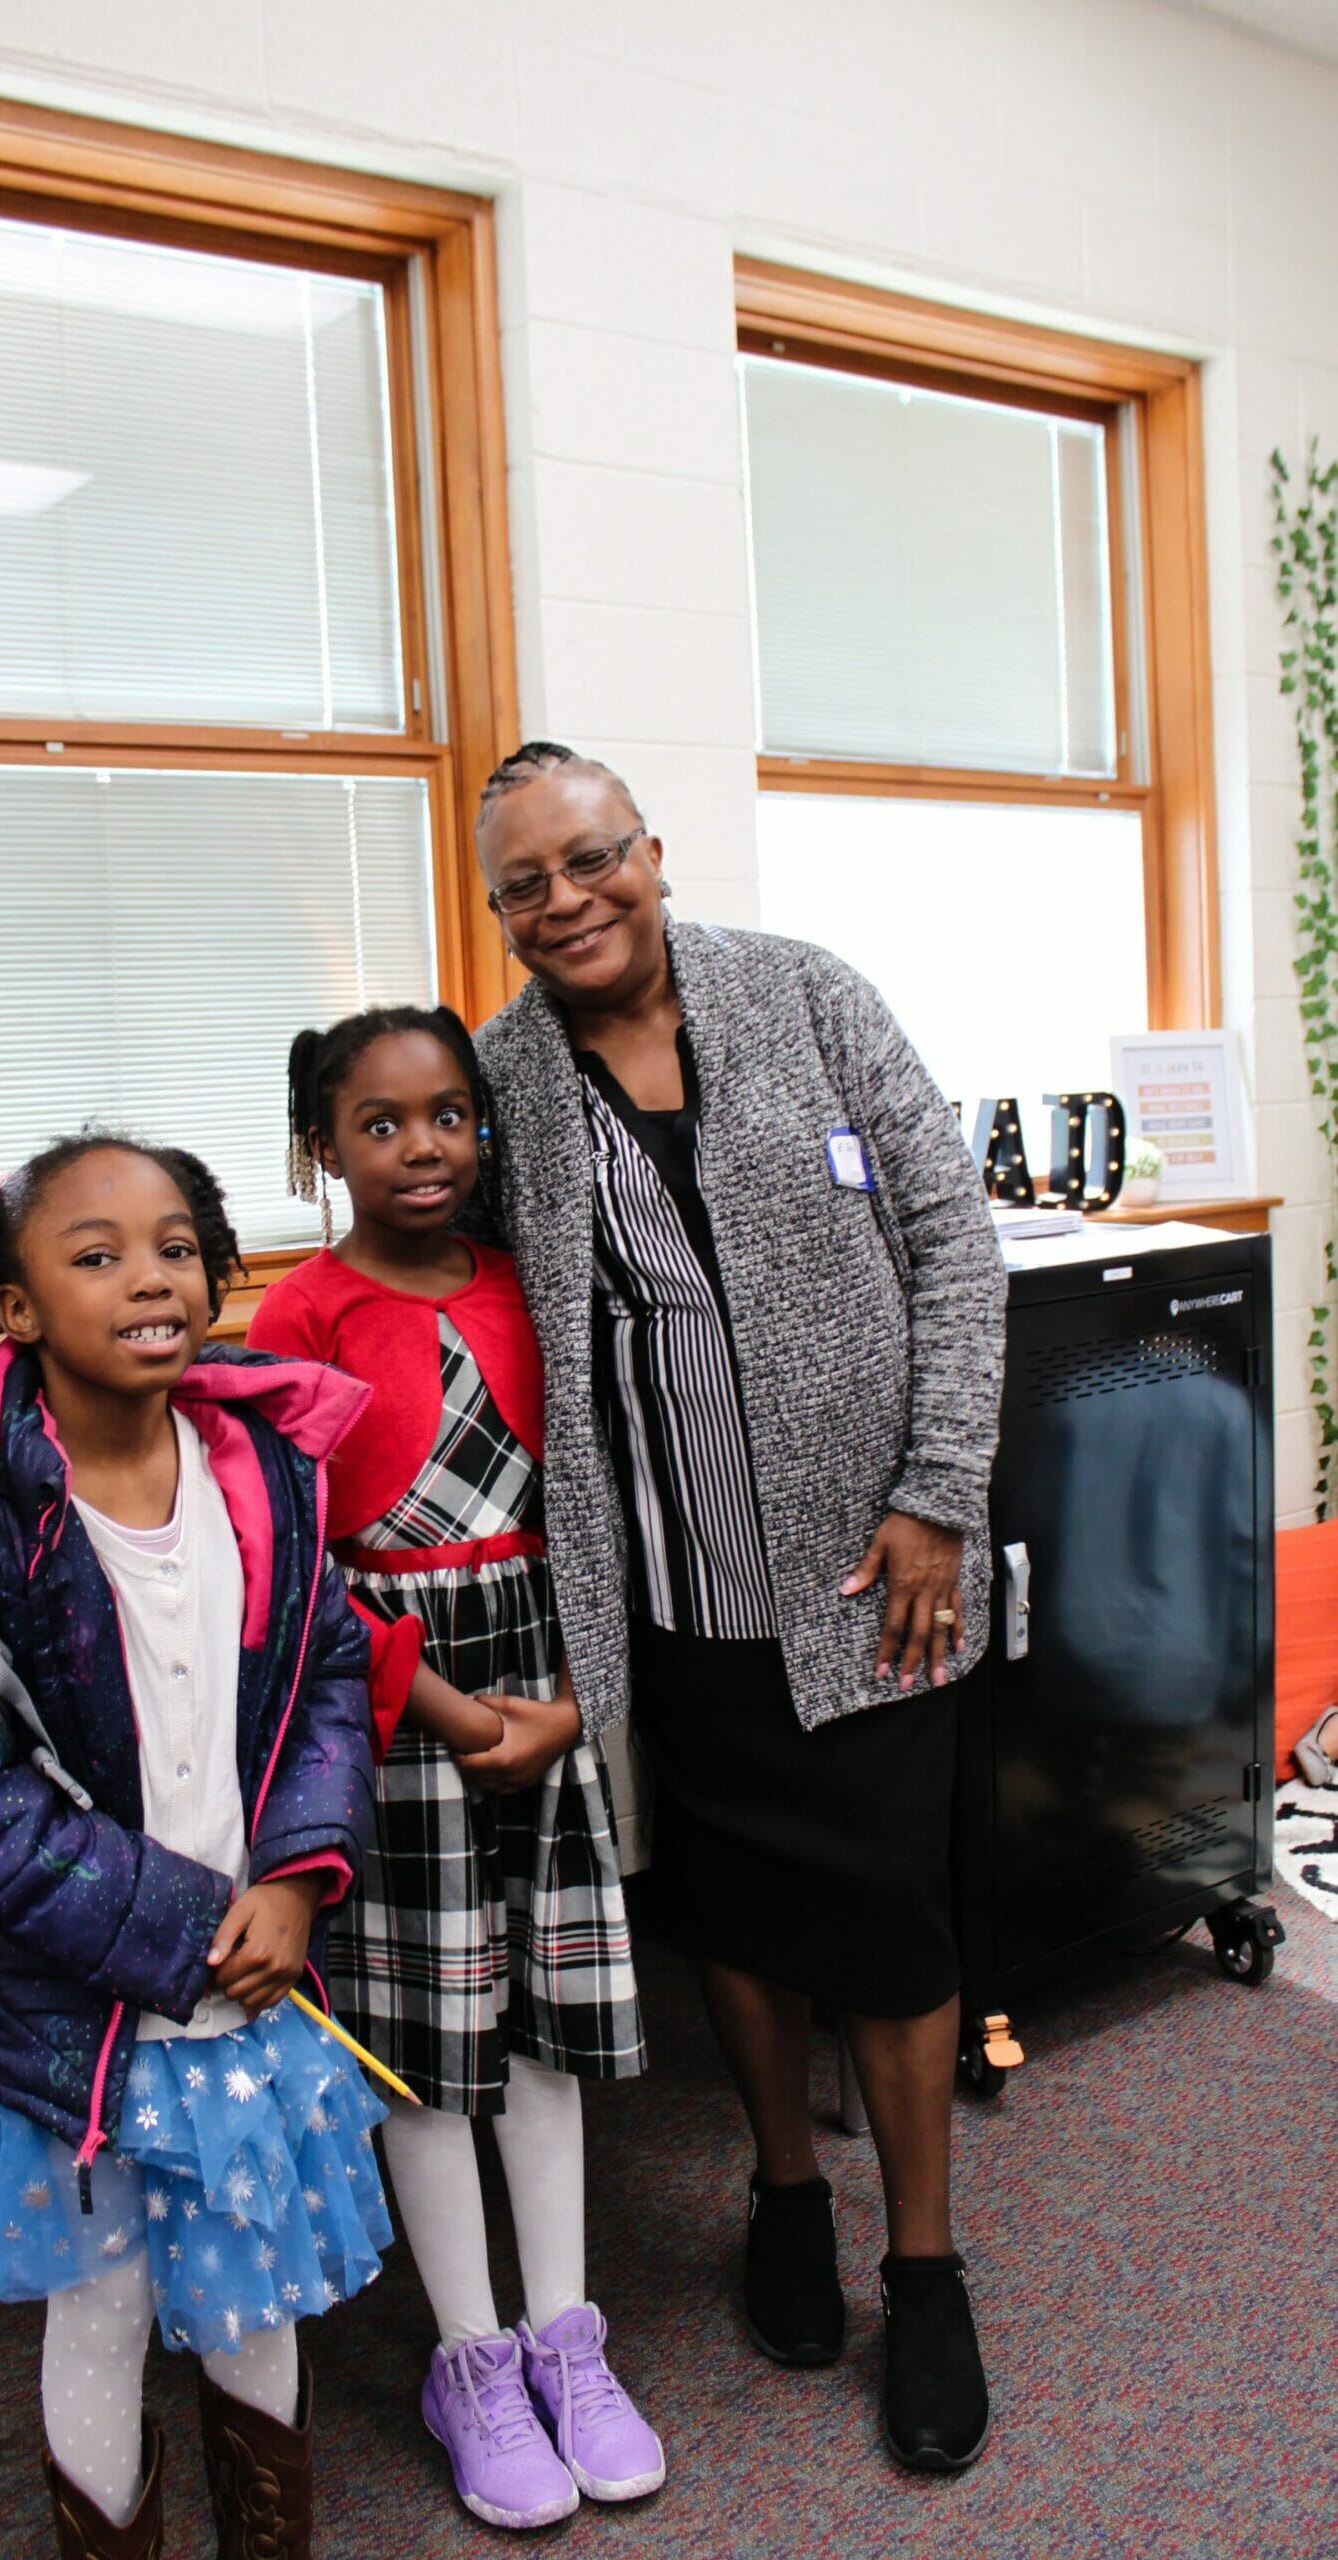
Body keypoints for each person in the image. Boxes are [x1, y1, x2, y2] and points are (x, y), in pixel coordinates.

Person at [466, 742, 1008, 2474]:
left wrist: (937, 1495)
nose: (568, 901)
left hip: (873, 1582)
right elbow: (452, 1279)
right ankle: (784, 2192)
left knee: (894, 1923)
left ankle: (924, 2270)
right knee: (739, 1915)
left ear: (651, 851)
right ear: (500, 914)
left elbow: (954, 1241)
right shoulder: (504, 1075)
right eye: (527, 886)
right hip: (674, 1588)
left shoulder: (806, 995)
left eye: (592, 859)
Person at [0, 1133, 393, 2560]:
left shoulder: (264, 1466)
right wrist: (182, 1928)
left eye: (176, 1248)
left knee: (256, 2298)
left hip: (248, 1986)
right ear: (13, 1307)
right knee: (104, 2308)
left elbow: (326, 1675)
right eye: (98, 1256)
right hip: (79, 2010)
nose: (151, 1278)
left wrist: (296, 1877)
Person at [247, 1006, 664, 2532]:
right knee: (429, 2041)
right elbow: (292, 1560)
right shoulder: (298, 1317)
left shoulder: (525, 1281)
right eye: (380, 1123)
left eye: (448, 1116)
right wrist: (439, 1710)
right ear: (322, 1145)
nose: (421, 1148)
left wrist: (563, 1701)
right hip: (397, 1699)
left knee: (539, 2028)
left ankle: (567, 2340)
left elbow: (591, 1506)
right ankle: (474, 2361)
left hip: (539, 1670)